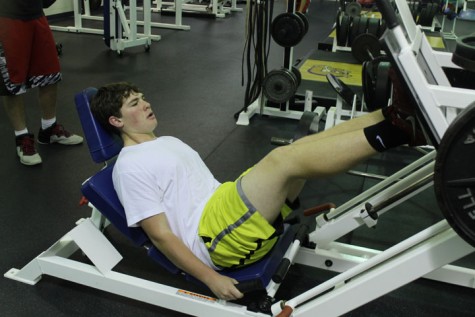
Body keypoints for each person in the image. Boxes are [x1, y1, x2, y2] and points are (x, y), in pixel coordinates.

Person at [90, 76, 426, 301]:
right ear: (116, 122)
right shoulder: (129, 167)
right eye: (134, 104)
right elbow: (160, 235)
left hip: (225, 208)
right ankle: (395, 134)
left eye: (142, 98)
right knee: (283, 160)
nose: (146, 104)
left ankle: (390, 116)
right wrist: (210, 278)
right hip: (214, 238)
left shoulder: (165, 141)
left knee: (303, 149)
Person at [0, 0, 83, 166]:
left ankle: (48, 129)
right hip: (6, 17)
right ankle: (21, 137)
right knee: (12, 82)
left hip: (36, 16)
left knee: (50, 74)